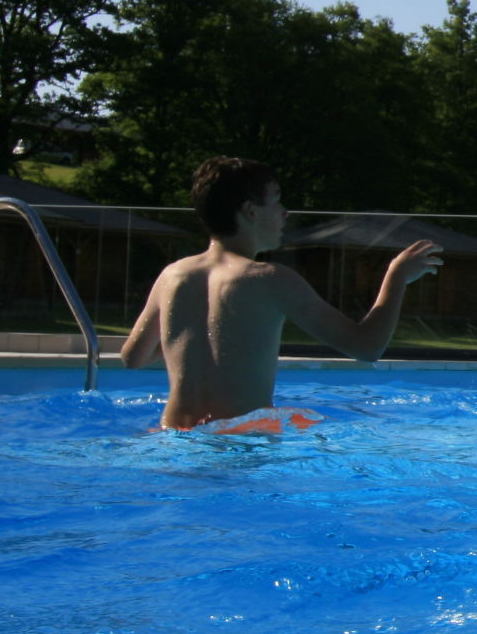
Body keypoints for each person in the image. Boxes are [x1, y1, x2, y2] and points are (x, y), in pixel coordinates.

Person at [120, 156, 443, 431]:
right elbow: (367, 347)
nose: (285, 212)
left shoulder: (172, 275)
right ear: (250, 210)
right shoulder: (271, 279)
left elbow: (132, 358)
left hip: (172, 435)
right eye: (276, 200)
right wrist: (396, 276)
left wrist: (188, 339)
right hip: (240, 442)